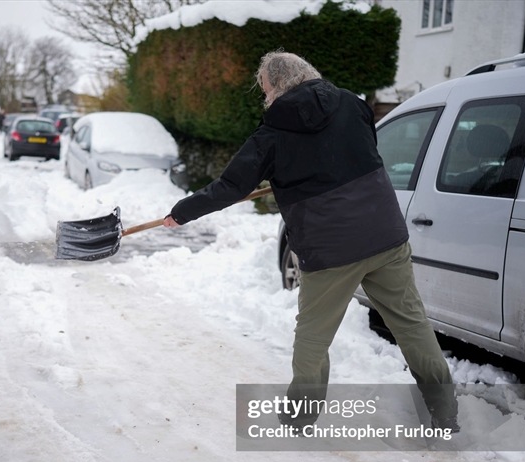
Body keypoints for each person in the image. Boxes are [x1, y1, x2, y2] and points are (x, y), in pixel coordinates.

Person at [164, 51, 459, 432]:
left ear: (280, 85)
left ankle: (301, 415)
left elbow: (230, 187)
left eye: (266, 89)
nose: (265, 97)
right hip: (385, 234)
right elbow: (360, 151)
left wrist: (183, 211)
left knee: (313, 338)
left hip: (330, 248)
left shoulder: (270, 136)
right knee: (412, 325)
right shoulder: (354, 104)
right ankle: (445, 410)